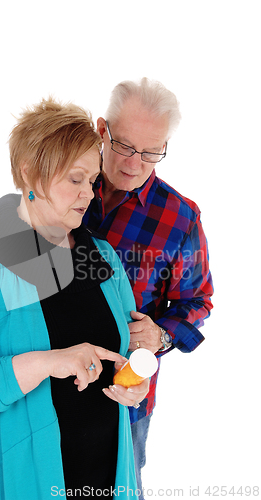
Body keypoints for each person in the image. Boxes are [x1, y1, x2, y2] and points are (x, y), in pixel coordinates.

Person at [0, 98, 149, 500]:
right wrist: (46, 362)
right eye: (74, 179)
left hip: (107, 479)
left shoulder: (102, 256)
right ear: (29, 173)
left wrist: (133, 384)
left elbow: (121, 353)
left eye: (93, 180)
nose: (89, 194)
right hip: (16, 481)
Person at [83, 78, 214, 499]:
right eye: (123, 145)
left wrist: (160, 334)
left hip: (127, 398)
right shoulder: (65, 186)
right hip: (49, 378)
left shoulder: (181, 218)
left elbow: (198, 301)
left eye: (151, 152)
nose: (134, 164)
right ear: (102, 130)